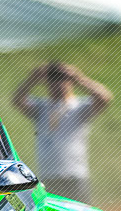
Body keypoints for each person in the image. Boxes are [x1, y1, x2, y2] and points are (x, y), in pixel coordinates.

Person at [10, 61, 112, 202]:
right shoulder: (41, 107)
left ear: (70, 81)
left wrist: (79, 78)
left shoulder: (79, 106)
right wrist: (33, 79)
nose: (58, 83)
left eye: (63, 78)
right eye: (53, 79)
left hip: (74, 175)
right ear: (47, 83)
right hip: (48, 176)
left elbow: (104, 97)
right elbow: (17, 100)